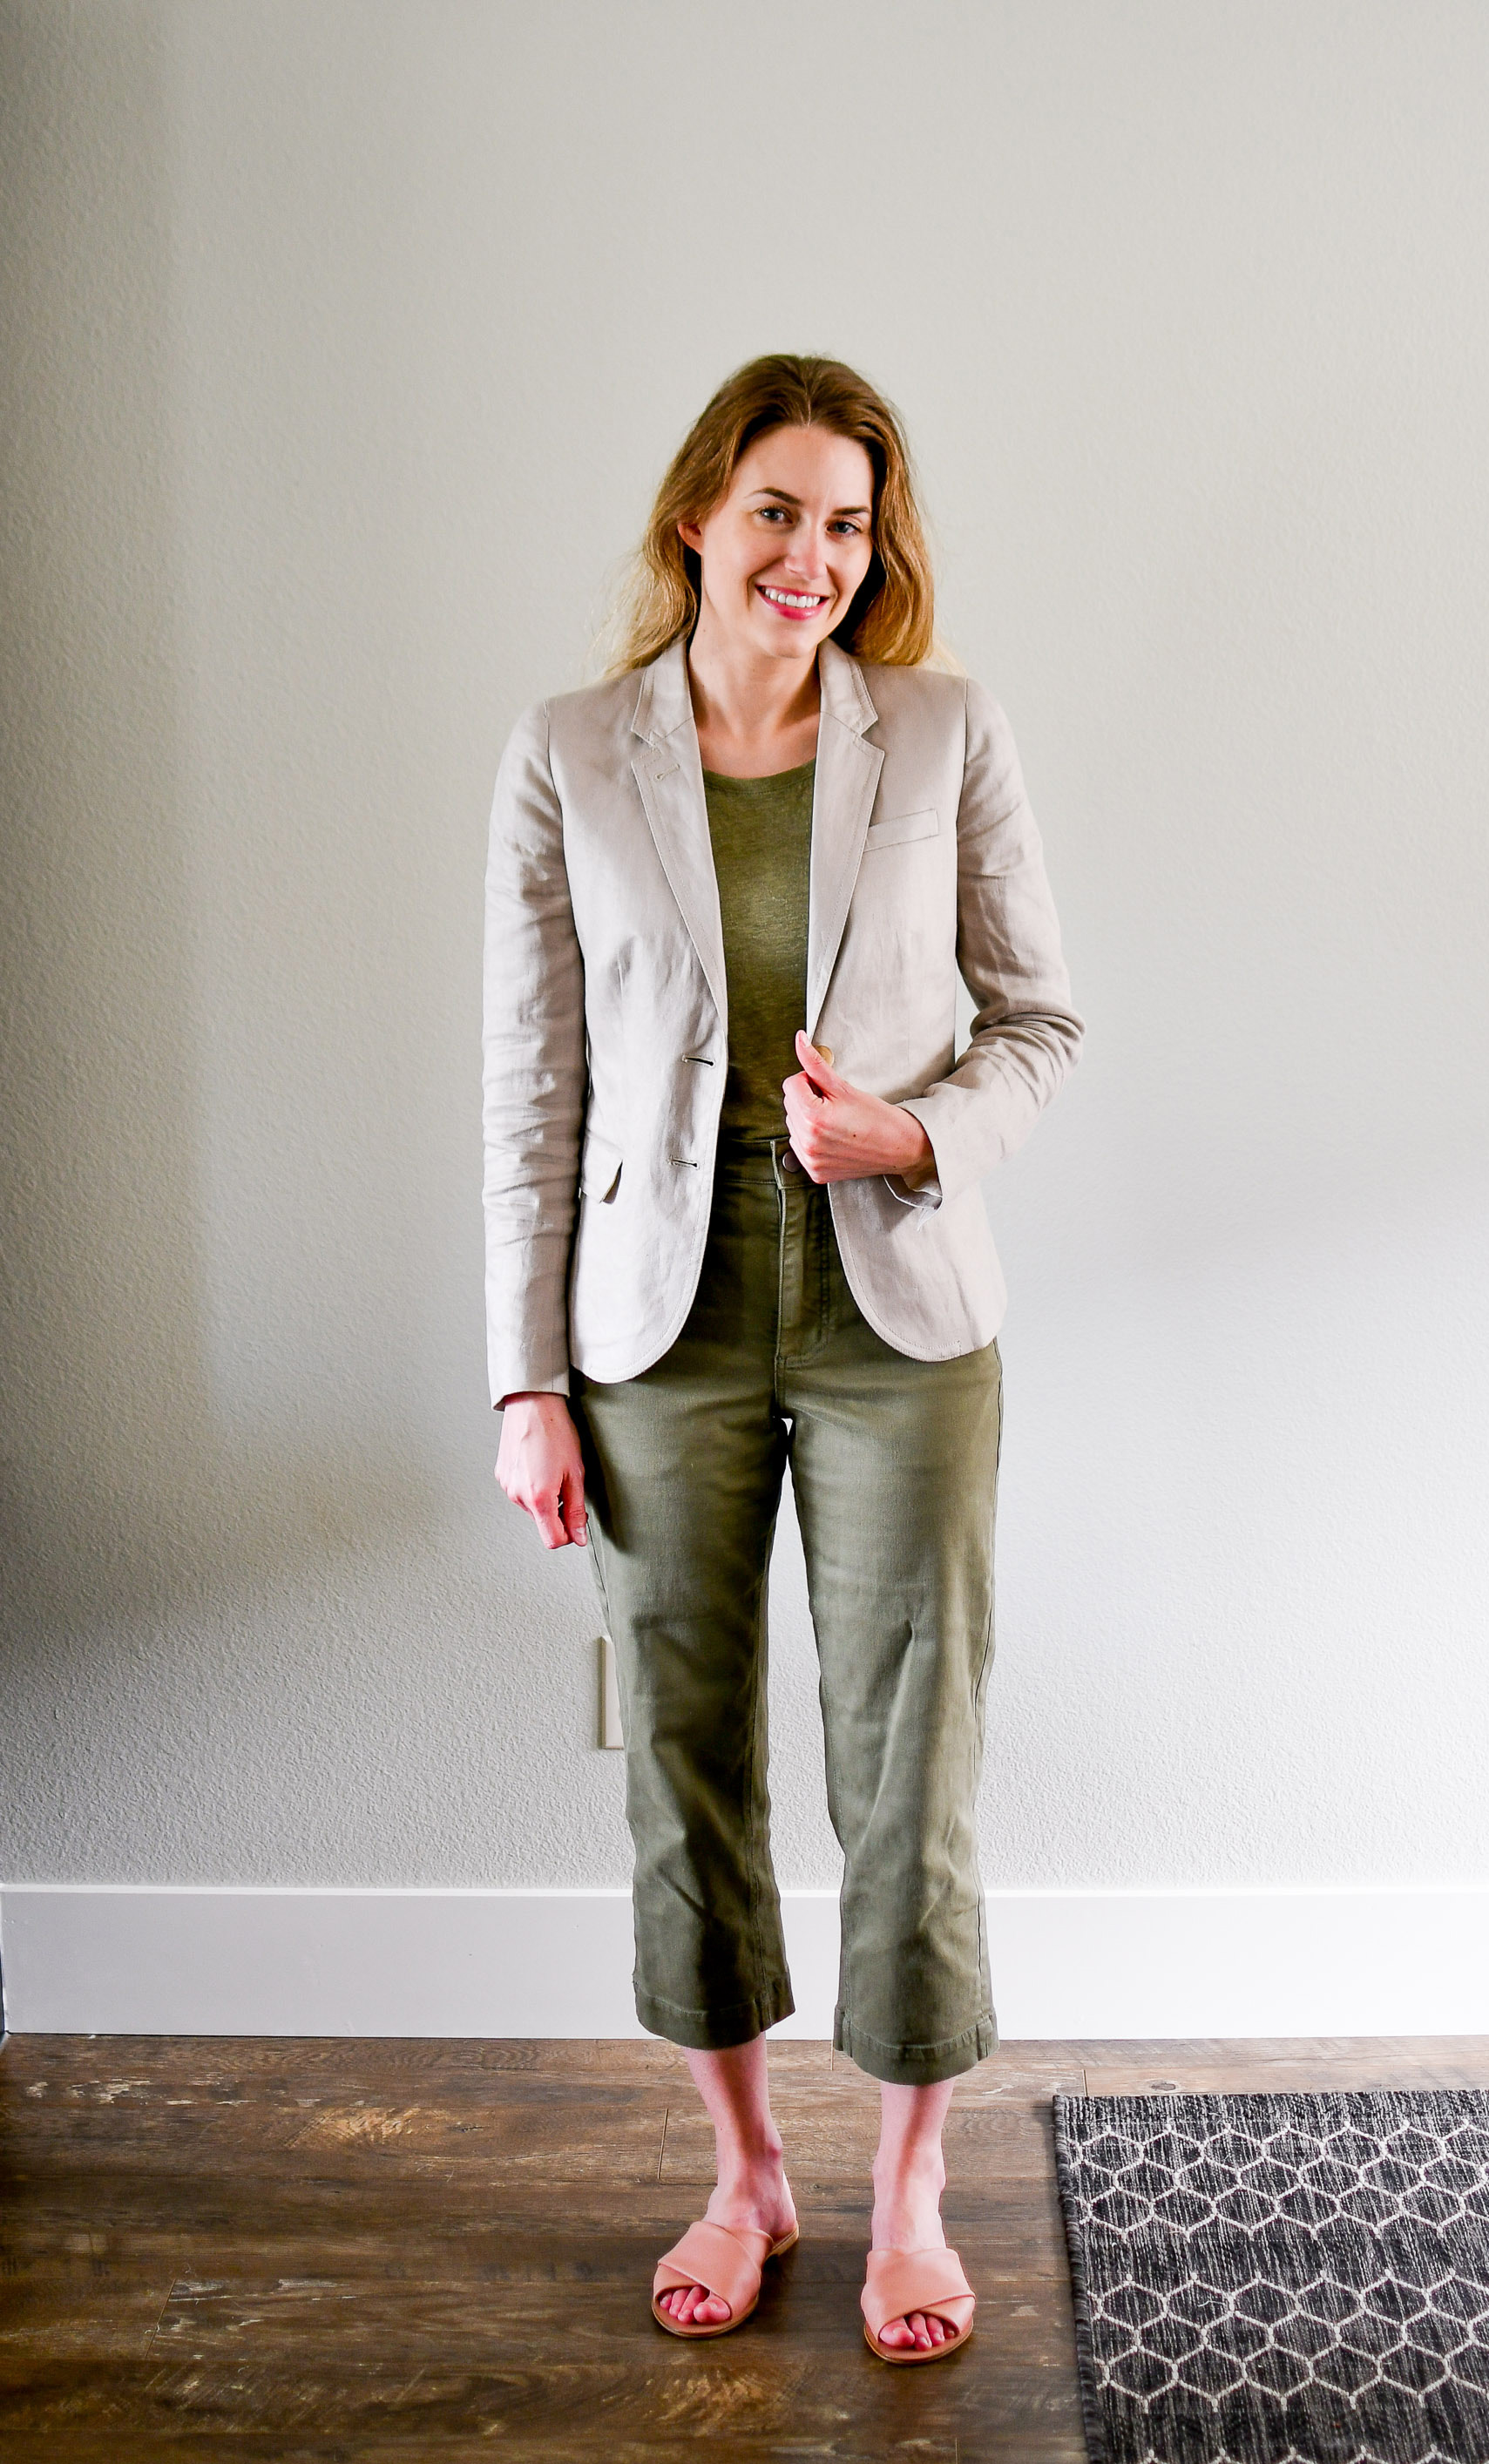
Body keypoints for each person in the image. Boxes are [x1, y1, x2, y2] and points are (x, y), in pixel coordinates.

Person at [483, 354, 1082, 2362]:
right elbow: (531, 1085)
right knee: (681, 1748)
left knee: (910, 1759)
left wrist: (907, 1132)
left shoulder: (942, 731)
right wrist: (523, 1378)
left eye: (848, 522)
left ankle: (910, 2190)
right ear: (697, 520)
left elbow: (1038, 1024)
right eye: (776, 513)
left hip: (898, 1308)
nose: (812, 556)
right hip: (652, 1326)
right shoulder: (570, 750)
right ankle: (747, 2172)